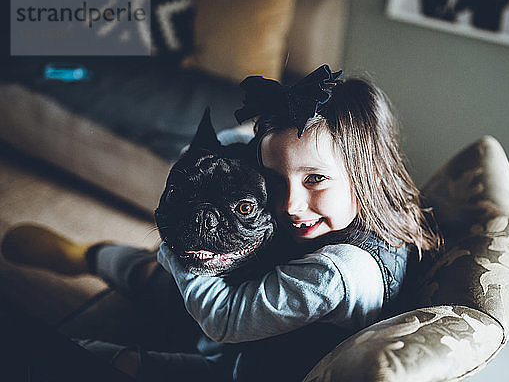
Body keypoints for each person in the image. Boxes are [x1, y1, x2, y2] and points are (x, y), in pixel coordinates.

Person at [1, 65, 440, 381]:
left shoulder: (338, 274)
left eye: (316, 179)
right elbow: (243, 142)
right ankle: (89, 257)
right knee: (165, 282)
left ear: (369, 173)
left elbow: (224, 319)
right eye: (273, 178)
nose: (289, 203)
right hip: (251, 315)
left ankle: (113, 266)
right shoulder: (386, 201)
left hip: (243, 366)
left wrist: (180, 246)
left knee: (78, 354)